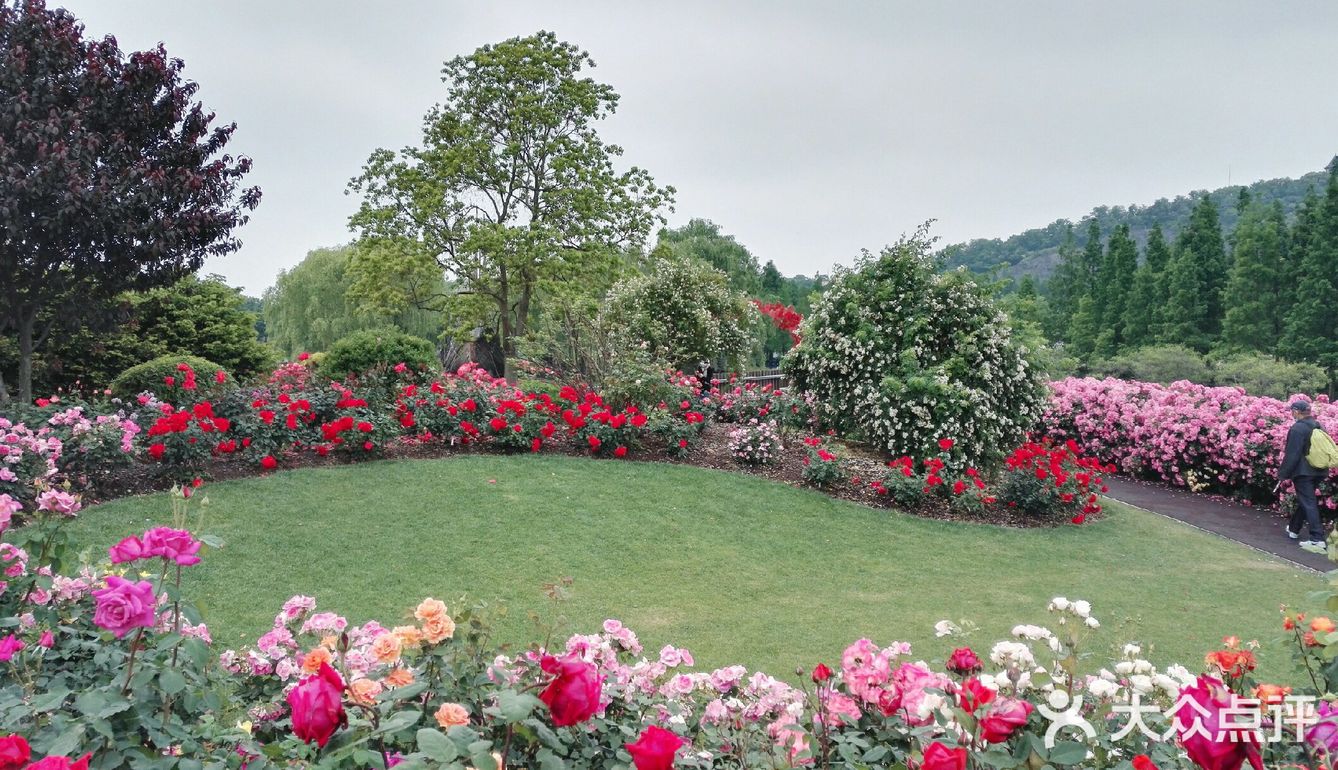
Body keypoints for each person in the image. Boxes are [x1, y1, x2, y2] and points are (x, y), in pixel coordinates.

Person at [1281, 399, 1328, 553]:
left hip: (1303, 472)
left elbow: (1292, 454)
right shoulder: (1319, 425)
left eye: (1292, 411)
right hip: (1319, 470)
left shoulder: (1297, 428)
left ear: (1296, 411)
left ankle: (1317, 539)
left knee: (1308, 502)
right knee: (1306, 500)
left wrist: (1283, 474)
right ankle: (1294, 529)